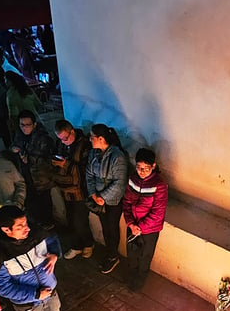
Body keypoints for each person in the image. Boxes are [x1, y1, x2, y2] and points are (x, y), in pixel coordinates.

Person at [122, 148, 168, 291]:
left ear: (153, 166)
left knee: (145, 256)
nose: (141, 172)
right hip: (132, 225)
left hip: (149, 229)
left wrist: (140, 227)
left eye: (146, 169)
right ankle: (131, 275)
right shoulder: (133, 179)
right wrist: (130, 223)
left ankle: (139, 281)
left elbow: (157, 212)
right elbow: (127, 201)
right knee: (132, 253)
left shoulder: (159, 185)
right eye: (139, 168)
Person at [85, 124, 128, 274]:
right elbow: (89, 175)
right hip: (98, 199)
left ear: (101, 138)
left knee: (112, 228)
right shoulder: (93, 154)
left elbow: (120, 182)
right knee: (105, 227)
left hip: (112, 201)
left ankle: (113, 255)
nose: (90, 140)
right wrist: (93, 195)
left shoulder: (117, 156)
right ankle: (110, 253)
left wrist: (102, 196)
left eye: (92, 137)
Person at [54, 119, 94, 260]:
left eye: (65, 138)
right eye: (60, 139)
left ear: (72, 131)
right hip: (66, 189)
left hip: (80, 190)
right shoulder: (61, 144)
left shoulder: (84, 145)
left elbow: (86, 169)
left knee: (80, 220)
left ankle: (88, 244)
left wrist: (67, 165)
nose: (63, 141)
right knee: (70, 219)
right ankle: (76, 246)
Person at [11, 109, 56, 226]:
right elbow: (15, 146)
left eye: (28, 125)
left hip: (41, 178)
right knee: (32, 203)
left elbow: (48, 158)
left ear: (34, 124)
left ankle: (48, 225)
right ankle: (37, 224)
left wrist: (29, 158)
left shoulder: (43, 138)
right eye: (22, 125)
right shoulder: (19, 135)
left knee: (45, 203)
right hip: (26, 176)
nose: (24, 128)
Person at [4, 71, 42, 137]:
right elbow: (38, 104)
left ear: (10, 81)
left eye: (5, 79)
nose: (5, 82)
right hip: (36, 120)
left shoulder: (11, 95)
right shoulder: (28, 90)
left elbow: (14, 115)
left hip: (24, 126)